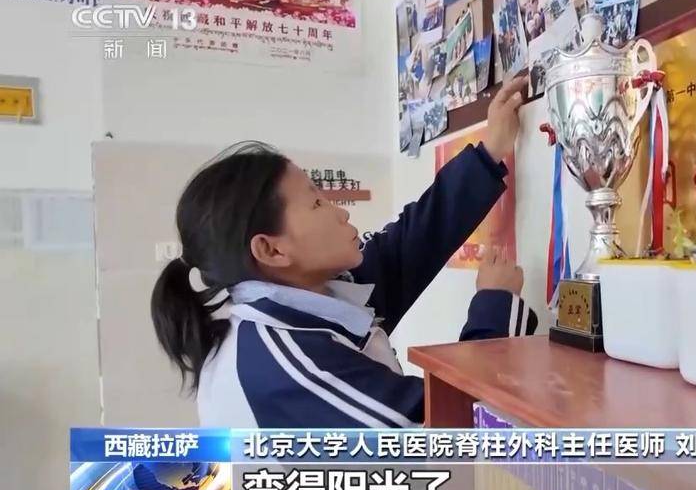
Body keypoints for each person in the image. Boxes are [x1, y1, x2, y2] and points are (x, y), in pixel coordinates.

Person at [152, 77, 535, 428]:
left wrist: (490, 153)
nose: (341, 212)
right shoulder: (289, 366)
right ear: (271, 249)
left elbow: (408, 244)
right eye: (316, 203)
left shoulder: (306, 295)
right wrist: (495, 307)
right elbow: (452, 439)